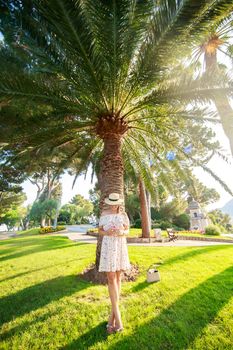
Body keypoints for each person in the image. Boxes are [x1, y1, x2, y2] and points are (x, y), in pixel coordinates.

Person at [98, 192, 131, 334]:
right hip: (107, 247)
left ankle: (111, 320)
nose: (113, 206)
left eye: (115, 203)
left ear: (119, 203)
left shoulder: (124, 215)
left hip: (119, 246)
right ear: (108, 203)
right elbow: (99, 231)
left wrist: (120, 232)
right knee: (111, 278)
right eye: (111, 203)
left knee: (118, 278)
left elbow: (128, 230)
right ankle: (119, 319)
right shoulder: (104, 214)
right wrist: (108, 233)